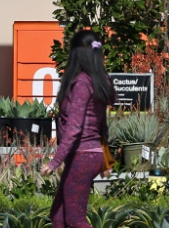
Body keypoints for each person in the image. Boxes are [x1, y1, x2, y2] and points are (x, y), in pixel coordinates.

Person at [40, 30, 115, 228]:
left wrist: (55, 162)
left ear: (77, 54)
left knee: (75, 219)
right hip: (90, 154)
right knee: (58, 214)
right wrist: (106, 159)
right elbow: (102, 125)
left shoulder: (82, 82)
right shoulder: (99, 80)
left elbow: (74, 127)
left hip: (82, 155)